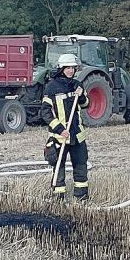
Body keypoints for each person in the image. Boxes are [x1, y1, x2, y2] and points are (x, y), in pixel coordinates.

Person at [42, 54, 90, 201]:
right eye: (67, 68)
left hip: (77, 135)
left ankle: (81, 197)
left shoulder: (78, 84)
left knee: (81, 166)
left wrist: (81, 96)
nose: (70, 70)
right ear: (61, 68)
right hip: (60, 136)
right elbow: (45, 112)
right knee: (59, 168)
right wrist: (60, 129)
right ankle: (58, 198)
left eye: (72, 68)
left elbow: (86, 104)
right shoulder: (51, 87)